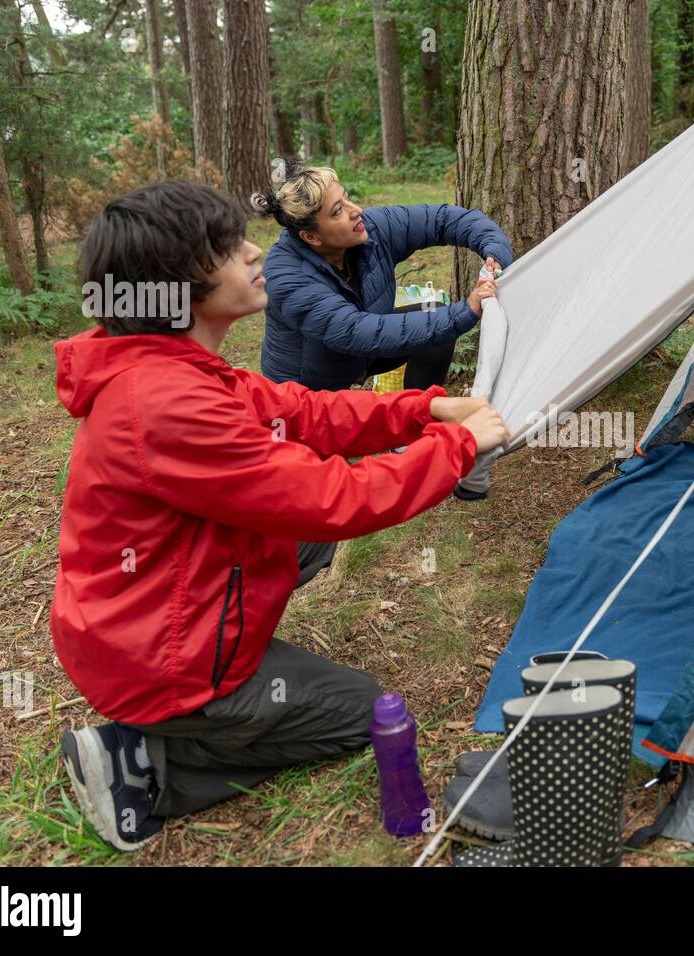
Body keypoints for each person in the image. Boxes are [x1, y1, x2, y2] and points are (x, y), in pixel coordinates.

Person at [51, 180, 510, 851]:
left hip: (141, 614)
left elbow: (301, 411)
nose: (252, 249)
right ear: (176, 287)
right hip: (157, 657)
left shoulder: (175, 366)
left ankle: (203, 698)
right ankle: (148, 763)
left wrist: (424, 410)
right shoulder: (165, 402)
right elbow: (336, 500)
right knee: (361, 715)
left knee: (299, 541)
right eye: (225, 248)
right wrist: (458, 448)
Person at [252, 158, 512, 397]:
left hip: (359, 356)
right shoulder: (286, 277)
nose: (356, 211)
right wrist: (466, 311)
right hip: (306, 389)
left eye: (347, 199)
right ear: (311, 237)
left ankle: (415, 426)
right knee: (327, 447)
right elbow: (357, 331)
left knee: (434, 319)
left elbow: (442, 219)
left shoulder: (369, 229)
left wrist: (494, 253)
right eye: (337, 211)